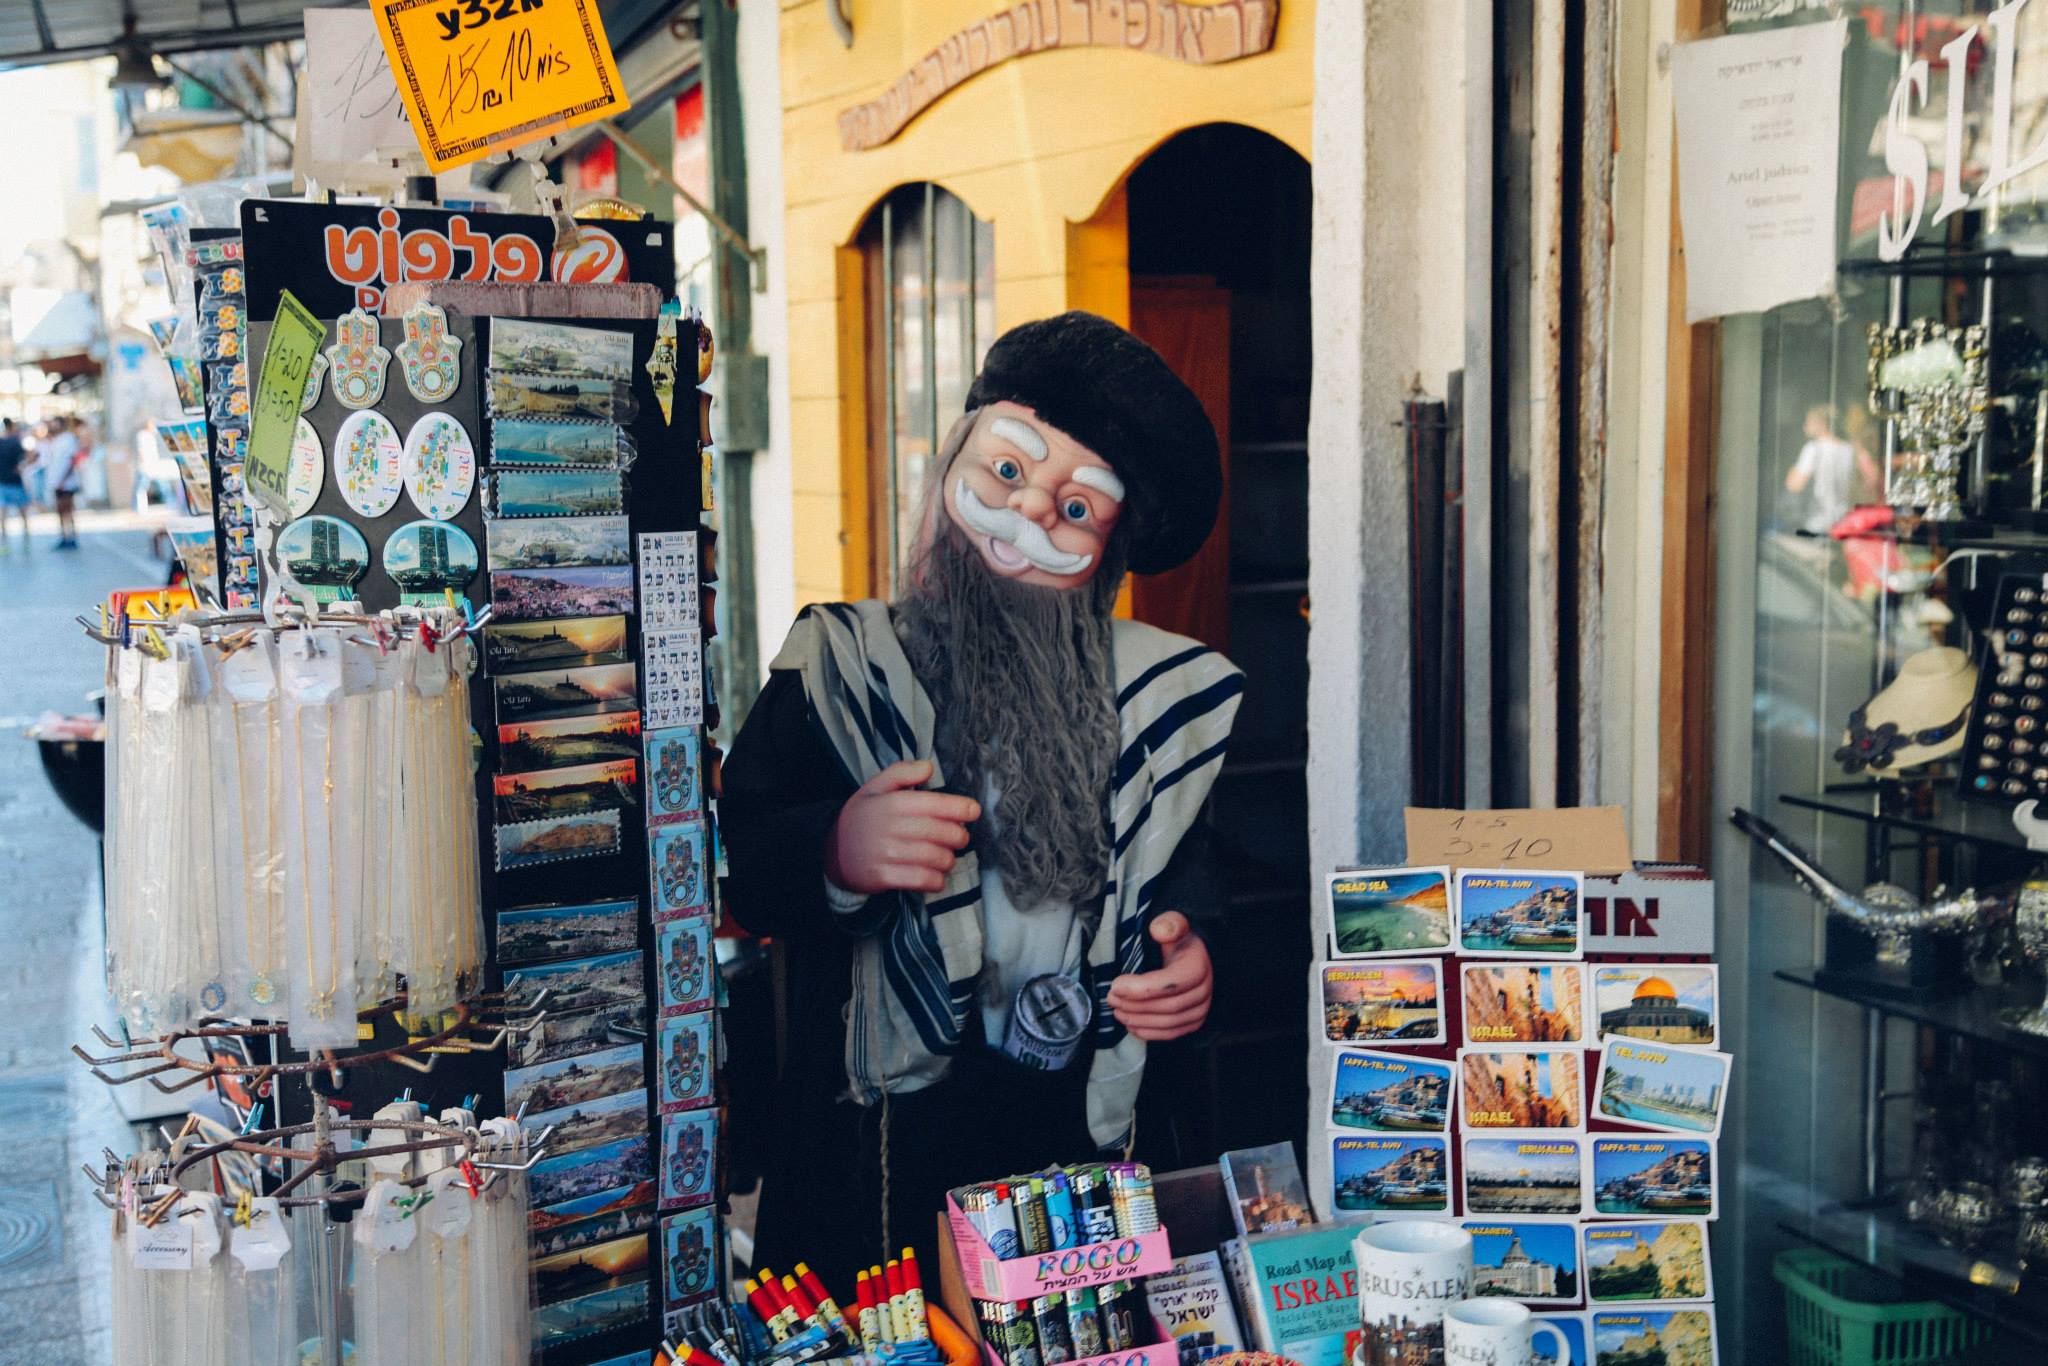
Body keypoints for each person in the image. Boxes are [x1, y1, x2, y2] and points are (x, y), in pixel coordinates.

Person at [722, 312, 1240, 1292]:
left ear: (1112, 546)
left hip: (1065, 1153)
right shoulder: (837, 664)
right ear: (953, 461)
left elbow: (1189, 879)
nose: (1027, 517)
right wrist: (834, 849)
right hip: (867, 1159)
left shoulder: (1153, 707)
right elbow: (737, 860)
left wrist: (1195, 961)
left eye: (1076, 508)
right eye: (1007, 472)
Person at [1785, 403, 1879, 534]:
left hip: (1817, 523)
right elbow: (1872, 479)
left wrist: (1790, 472)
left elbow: (1795, 485)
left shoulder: (1813, 448)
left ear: (1822, 424)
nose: (1805, 426)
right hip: (1843, 521)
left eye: (1808, 421)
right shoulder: (1850, 449)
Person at [52, 417, 88, 549]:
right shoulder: (56, 440)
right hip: (57, 482)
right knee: (60, 511)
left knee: (68, 510)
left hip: (66, 482)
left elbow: (73, 460)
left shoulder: (69, 439)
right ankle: (63, 537)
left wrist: (63, 479)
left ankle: (72, 537)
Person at [0, 419, 30, 553]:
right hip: (15, 482)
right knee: (22, 514)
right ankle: (25, 540)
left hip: (3, 482)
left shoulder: (11, 442)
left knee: (3, 516)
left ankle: (5, 543)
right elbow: (28, 457)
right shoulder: (15, 442)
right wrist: (21, 467)